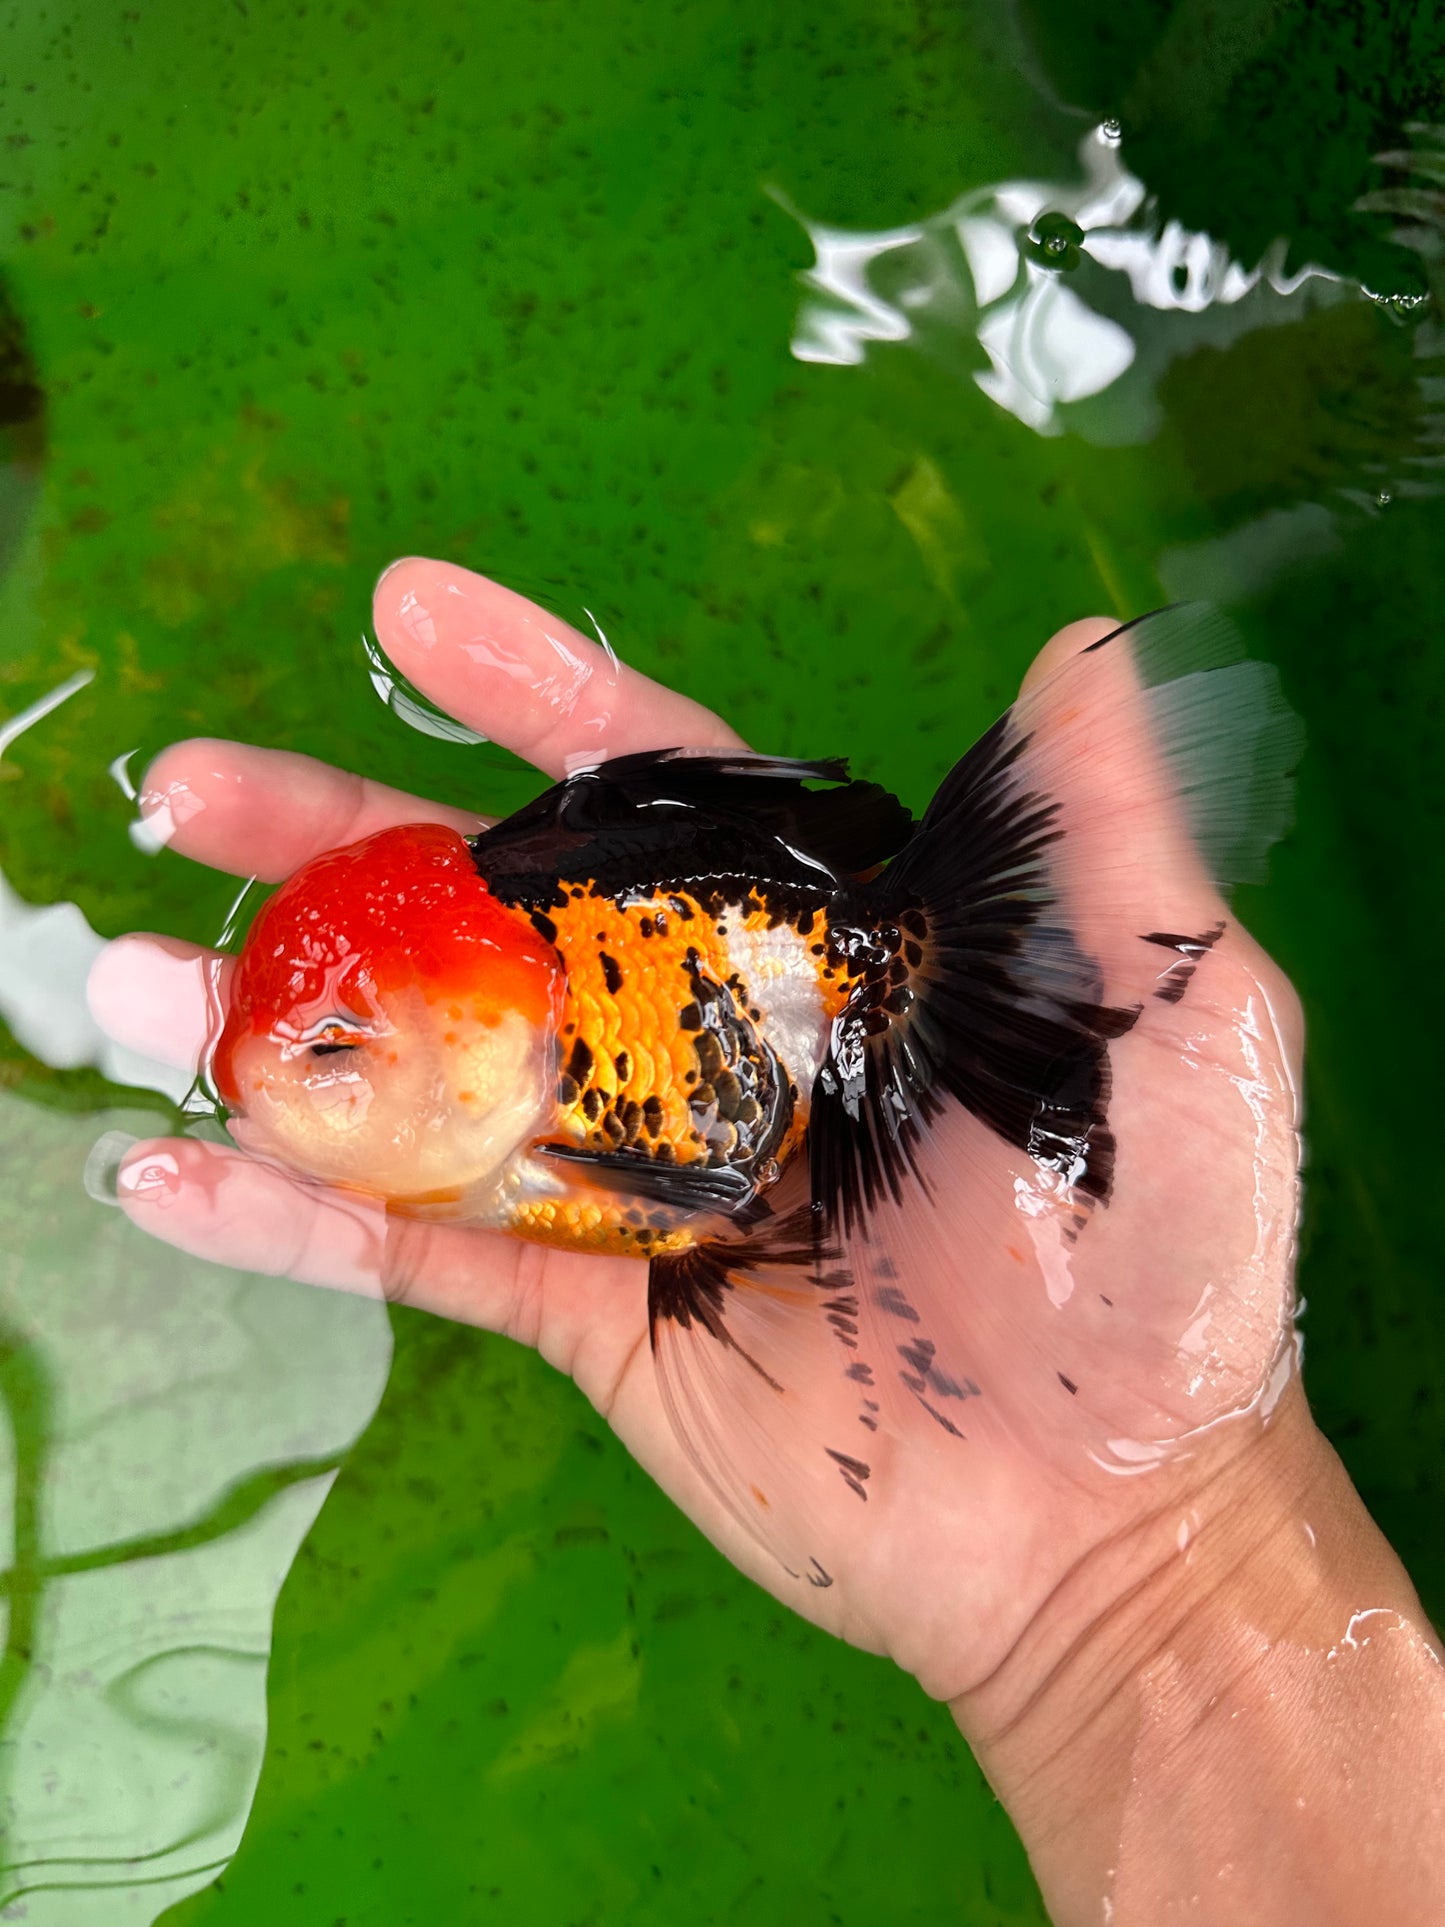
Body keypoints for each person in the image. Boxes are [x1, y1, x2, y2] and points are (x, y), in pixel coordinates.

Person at [90, 557, 1445, 1927]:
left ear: (486, 1039)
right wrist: (1156, 1574)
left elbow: (663, 1193)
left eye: (333, 1050)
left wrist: (1151, 1534)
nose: (278, 1088)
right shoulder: (509, 1133)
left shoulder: (583, 1116)